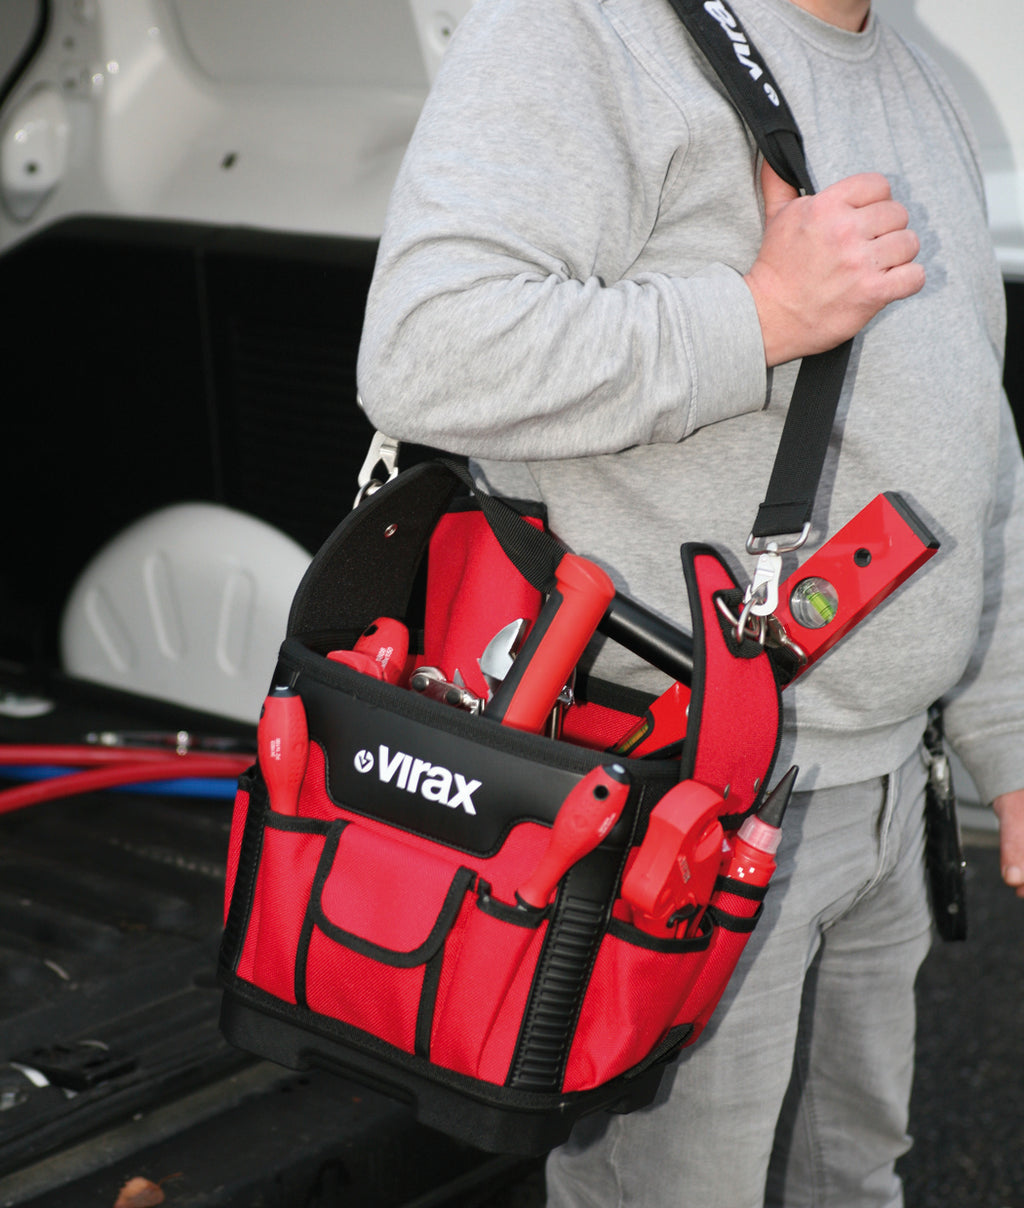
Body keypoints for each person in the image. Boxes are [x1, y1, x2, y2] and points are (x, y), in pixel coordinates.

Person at [356, 0, 1024, 1202]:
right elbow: (424, 349)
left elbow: (978, 440)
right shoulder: (583, 29)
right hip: (680, 801)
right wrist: (758, 317)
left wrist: (1007, 739)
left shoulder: (913, 74)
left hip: (880, 790)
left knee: (856, 1174)